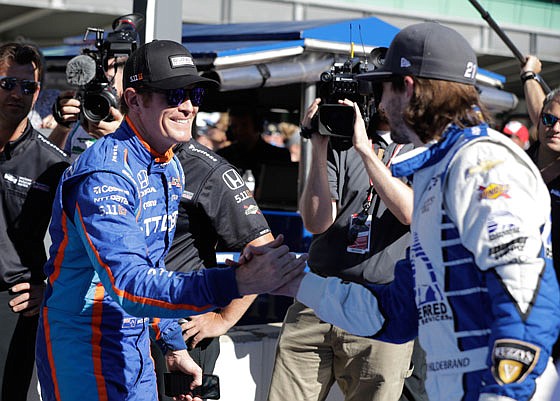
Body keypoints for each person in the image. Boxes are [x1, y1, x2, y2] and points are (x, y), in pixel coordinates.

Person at [265, 21, 560, 401]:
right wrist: (290, 281)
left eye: (380, 87)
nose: (377, 102)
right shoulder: (437, 173)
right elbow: (392, 314)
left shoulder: (483, 165)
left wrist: (503, 395)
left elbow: (528, 301)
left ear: (407, 88)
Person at [35, 39, 306, 401]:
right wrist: (235, 281)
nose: (189, 106)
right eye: (173, 94)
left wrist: (175, 347)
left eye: (195, 93)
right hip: (84, 345)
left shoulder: (170, 166)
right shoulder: (104, 173)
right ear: (133, 100)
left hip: (134, 341)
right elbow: (129, 285)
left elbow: (154, 266)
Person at [266, 95, 426, 401]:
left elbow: (409, 212)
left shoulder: (428, 147)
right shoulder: (341, 140)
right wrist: (319, 145)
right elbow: (316, 222)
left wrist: (365, 152)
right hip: (317, 296)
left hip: (381, 305)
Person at [152, 137, 275, 401]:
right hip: (122, 322)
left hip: (182, 332)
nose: (184, 108)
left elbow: (265, 250)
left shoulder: (206, 168)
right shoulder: (122, 160)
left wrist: (223, 319)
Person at [0, 42, 70, 401]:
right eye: (8, 84)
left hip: (12, 306)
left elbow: (82, 247)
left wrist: (49, 290)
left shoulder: (54, 163)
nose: (17, 94)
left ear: (38, 92)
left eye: (27, 87)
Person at [217, 106, 290, 190]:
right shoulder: (222, 156)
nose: (239, 130)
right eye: (234, 126)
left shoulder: (278, 155)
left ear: (257, 126)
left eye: (244, 125)